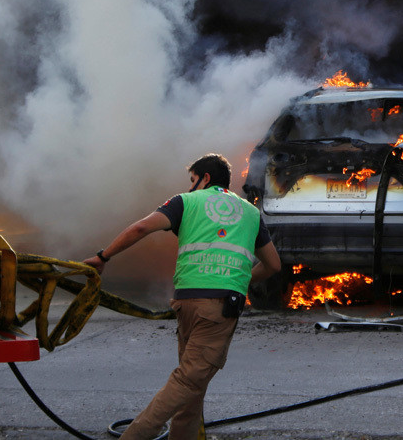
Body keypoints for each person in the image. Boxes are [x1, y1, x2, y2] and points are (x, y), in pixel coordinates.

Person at [84, 153, 282, 440]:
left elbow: (141, 227)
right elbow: (274, 265)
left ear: (205, 178)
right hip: (219, 309)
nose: (190, 186)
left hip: (186, 303)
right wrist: (236, 278)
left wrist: (104, 256)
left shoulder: (184, 202)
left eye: (192, 180)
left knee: (192, 385)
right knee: (188, 382)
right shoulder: (250, 213)